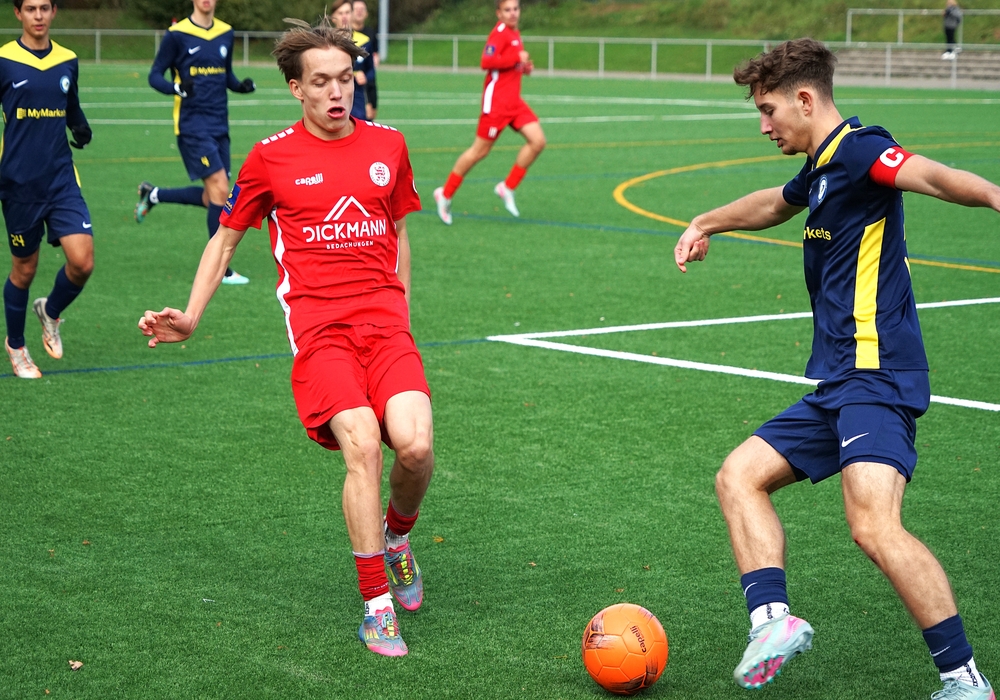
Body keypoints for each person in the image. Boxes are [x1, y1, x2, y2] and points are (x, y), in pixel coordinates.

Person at [673, 39, 997, 700]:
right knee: (739, 477)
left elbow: (931, 176)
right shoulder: (820, 169)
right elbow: (774, 203)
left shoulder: (859, 150)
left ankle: (964, 681)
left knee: (873, 526)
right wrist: (705, 222)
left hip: (877, 376)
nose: (764, 126)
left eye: (767, 110)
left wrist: (995, 194)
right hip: (841, 383)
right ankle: (772, 623)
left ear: (804, 99)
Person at [138, 17, 432, 659]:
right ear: (296, 88)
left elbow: (399, 233)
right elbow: (225, 240)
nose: (337, 92)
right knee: (363, 445)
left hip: (386, 327)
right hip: (321, 333)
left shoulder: (389, 145)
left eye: (345, 79)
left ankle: (398, 536)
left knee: (415, 448)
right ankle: (376, 606)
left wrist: (402, 312)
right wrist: (192, 315)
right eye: (321, 82)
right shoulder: (271, 158)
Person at [134, 0, 256, 285]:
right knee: (221, 189)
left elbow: (226, 75)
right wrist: (176, 88)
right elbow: (155, 75)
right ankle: (220, 270)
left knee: (214, 197)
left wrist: (239, 86)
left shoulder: (226, 32)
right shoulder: (177, 34)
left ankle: (153, 195)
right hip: (191, 126)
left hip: (219, 125)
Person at [2, 0, 94, 379]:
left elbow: (70, 106)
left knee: (83, 262)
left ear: (54, 11)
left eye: (44, 8)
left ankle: (50, 312)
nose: (38, 16)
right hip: (19, 184)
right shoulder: (4, 60)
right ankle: (16, 346)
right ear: (18, 14)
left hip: (61, 180)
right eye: (30, 9)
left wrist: (81, 127)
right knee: (24, 270)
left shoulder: (67, 60)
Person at [433, 0, 546, 224]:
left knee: (538, 141)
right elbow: (487, 61)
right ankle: (444, 194)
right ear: (498, 13)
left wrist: (523, 67)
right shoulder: (499, 34)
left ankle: (507, 187)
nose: (512, 13)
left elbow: (508, 66)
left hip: (514, 103)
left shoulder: (515, 33)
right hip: (496, 104)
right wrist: (516, 59)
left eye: (515, 9)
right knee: (479, 152)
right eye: (507, 10)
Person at [331, 0, 374, 122]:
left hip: (357, 100)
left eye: (347, 12)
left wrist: (365, 77)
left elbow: (371, 71)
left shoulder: (364, 41)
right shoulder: (324, 42)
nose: (344, 17)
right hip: (332, 97)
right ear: (333, 17)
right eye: (340, 13)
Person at [352, 0, 379, 121]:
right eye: (356, 9)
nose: (359, 11)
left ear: (366, 13)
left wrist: (370, 101)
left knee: (368, 121)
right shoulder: (342, 34)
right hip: (350, 88)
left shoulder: (370, 34)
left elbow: (373, 62)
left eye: (362, 9)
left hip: (366, 87)